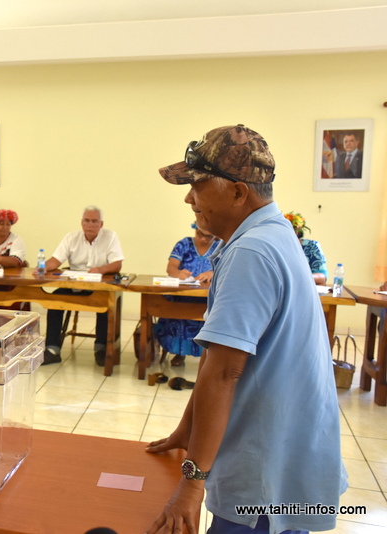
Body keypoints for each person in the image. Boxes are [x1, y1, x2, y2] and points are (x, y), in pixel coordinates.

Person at [147, 124, 346, 534]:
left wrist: (191, 483)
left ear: (239, 192)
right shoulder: (272, 234)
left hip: (262, 473)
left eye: (198, 185)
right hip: (289, 454)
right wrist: (187, 427)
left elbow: (224, 373)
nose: (189, 198)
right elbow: (217, 360)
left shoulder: (251, 251)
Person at [42, 206, 124, 366]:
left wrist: (101, 269)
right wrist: (44, 267)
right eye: (87, 220)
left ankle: (101, 349)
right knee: (54, 302)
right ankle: (52, 350)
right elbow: (56, 260)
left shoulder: (110, 236)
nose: (90, 225)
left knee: (105, 305)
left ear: (101, 224)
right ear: (81, 223)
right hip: (73, 284)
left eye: (94, 221)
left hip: (98, 286)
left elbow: (117, 264)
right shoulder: (71, 238)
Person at [154, 223, 220, 367]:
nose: (203, 239)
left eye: (208, 236)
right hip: (183, 294)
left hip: (207, 298)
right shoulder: (184, 244)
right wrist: (178, 274)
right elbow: (171, 267)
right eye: (199, 234)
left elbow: (228, 268)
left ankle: (207, 357)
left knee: (208, 315)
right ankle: (179, 353)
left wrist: (212, 273)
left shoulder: (220, 247)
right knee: (176, 312)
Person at [284, 211, 327, 285]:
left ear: (298, 231)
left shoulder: (311, 246)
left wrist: (298, 278)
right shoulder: (275, 246)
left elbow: (322, 276)